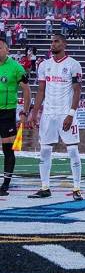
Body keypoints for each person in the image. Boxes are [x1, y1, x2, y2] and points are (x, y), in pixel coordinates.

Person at [27, 34, 83, 200]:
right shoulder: (44, 65)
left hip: (65, 114)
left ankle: (77, 188)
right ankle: (45, 187)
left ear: (64, 44)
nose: (53, 44)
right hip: (49, 114)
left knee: (72, 150)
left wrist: (71, 114)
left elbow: (77, 91)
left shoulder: (73, 64)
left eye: (56, 41)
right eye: (51, 41)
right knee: (45, 151)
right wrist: (34, 113)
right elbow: (41, 91)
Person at [0, 40, 31, 196]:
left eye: (0, 47)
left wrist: (24, 112)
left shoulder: (16, 68)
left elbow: (26, 90)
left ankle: (5, 185)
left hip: (7, 113)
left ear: (7, 49)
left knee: (7, 149)